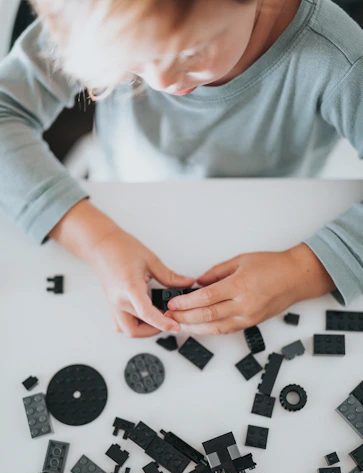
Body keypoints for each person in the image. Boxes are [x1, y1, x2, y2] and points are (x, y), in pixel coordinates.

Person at [0, 0, 362, 338]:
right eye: (132, 59)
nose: (162, 82)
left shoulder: (338, 58)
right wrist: (97, 241)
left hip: (271, 219)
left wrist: (302, 272)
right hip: (123, 203)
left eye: (192, 52)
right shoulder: (98, 13)